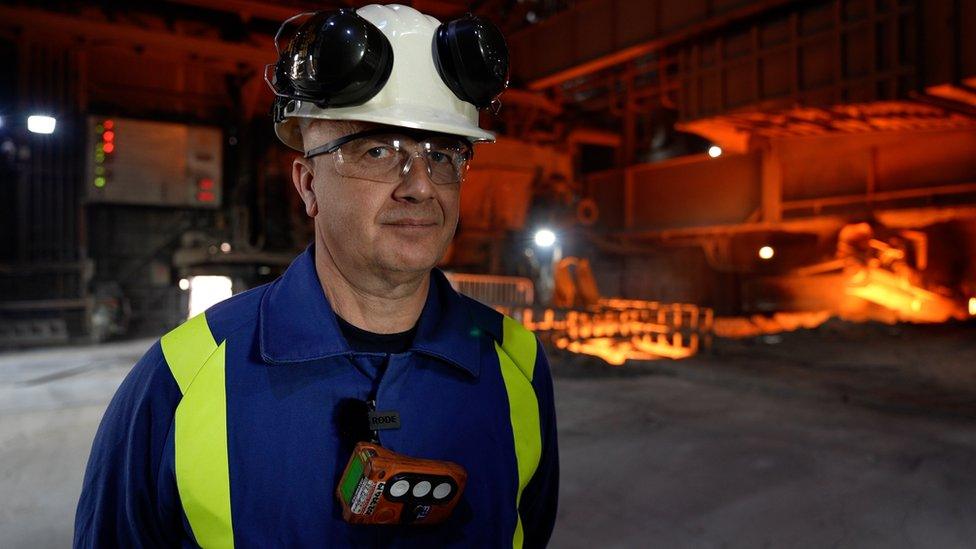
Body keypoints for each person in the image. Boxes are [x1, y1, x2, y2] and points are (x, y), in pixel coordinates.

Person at [74, 4, 558, 548]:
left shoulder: (516, 365)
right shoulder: (181, 382)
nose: (421, 186)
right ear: (308, 185)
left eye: (443, 155)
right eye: (378, 150)